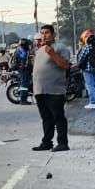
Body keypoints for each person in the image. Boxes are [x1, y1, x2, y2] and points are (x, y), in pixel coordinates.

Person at [31, 24, 71, 152]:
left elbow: (65, 65)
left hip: (55, 90)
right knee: (46, 118)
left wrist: (52, 53)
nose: (44, 35)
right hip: (40, 90)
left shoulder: (60, 47)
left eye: (47, 32)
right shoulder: (40, 50)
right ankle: (47, 142)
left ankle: (63, 143)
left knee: (58, 117)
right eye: (42, 33)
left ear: (53, 35)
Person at [75, 30, 95, 108]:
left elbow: (81, 58)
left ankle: (93, 102)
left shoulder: (87, 46)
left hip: (88, 69)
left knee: (90, 85)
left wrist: (78, 64)